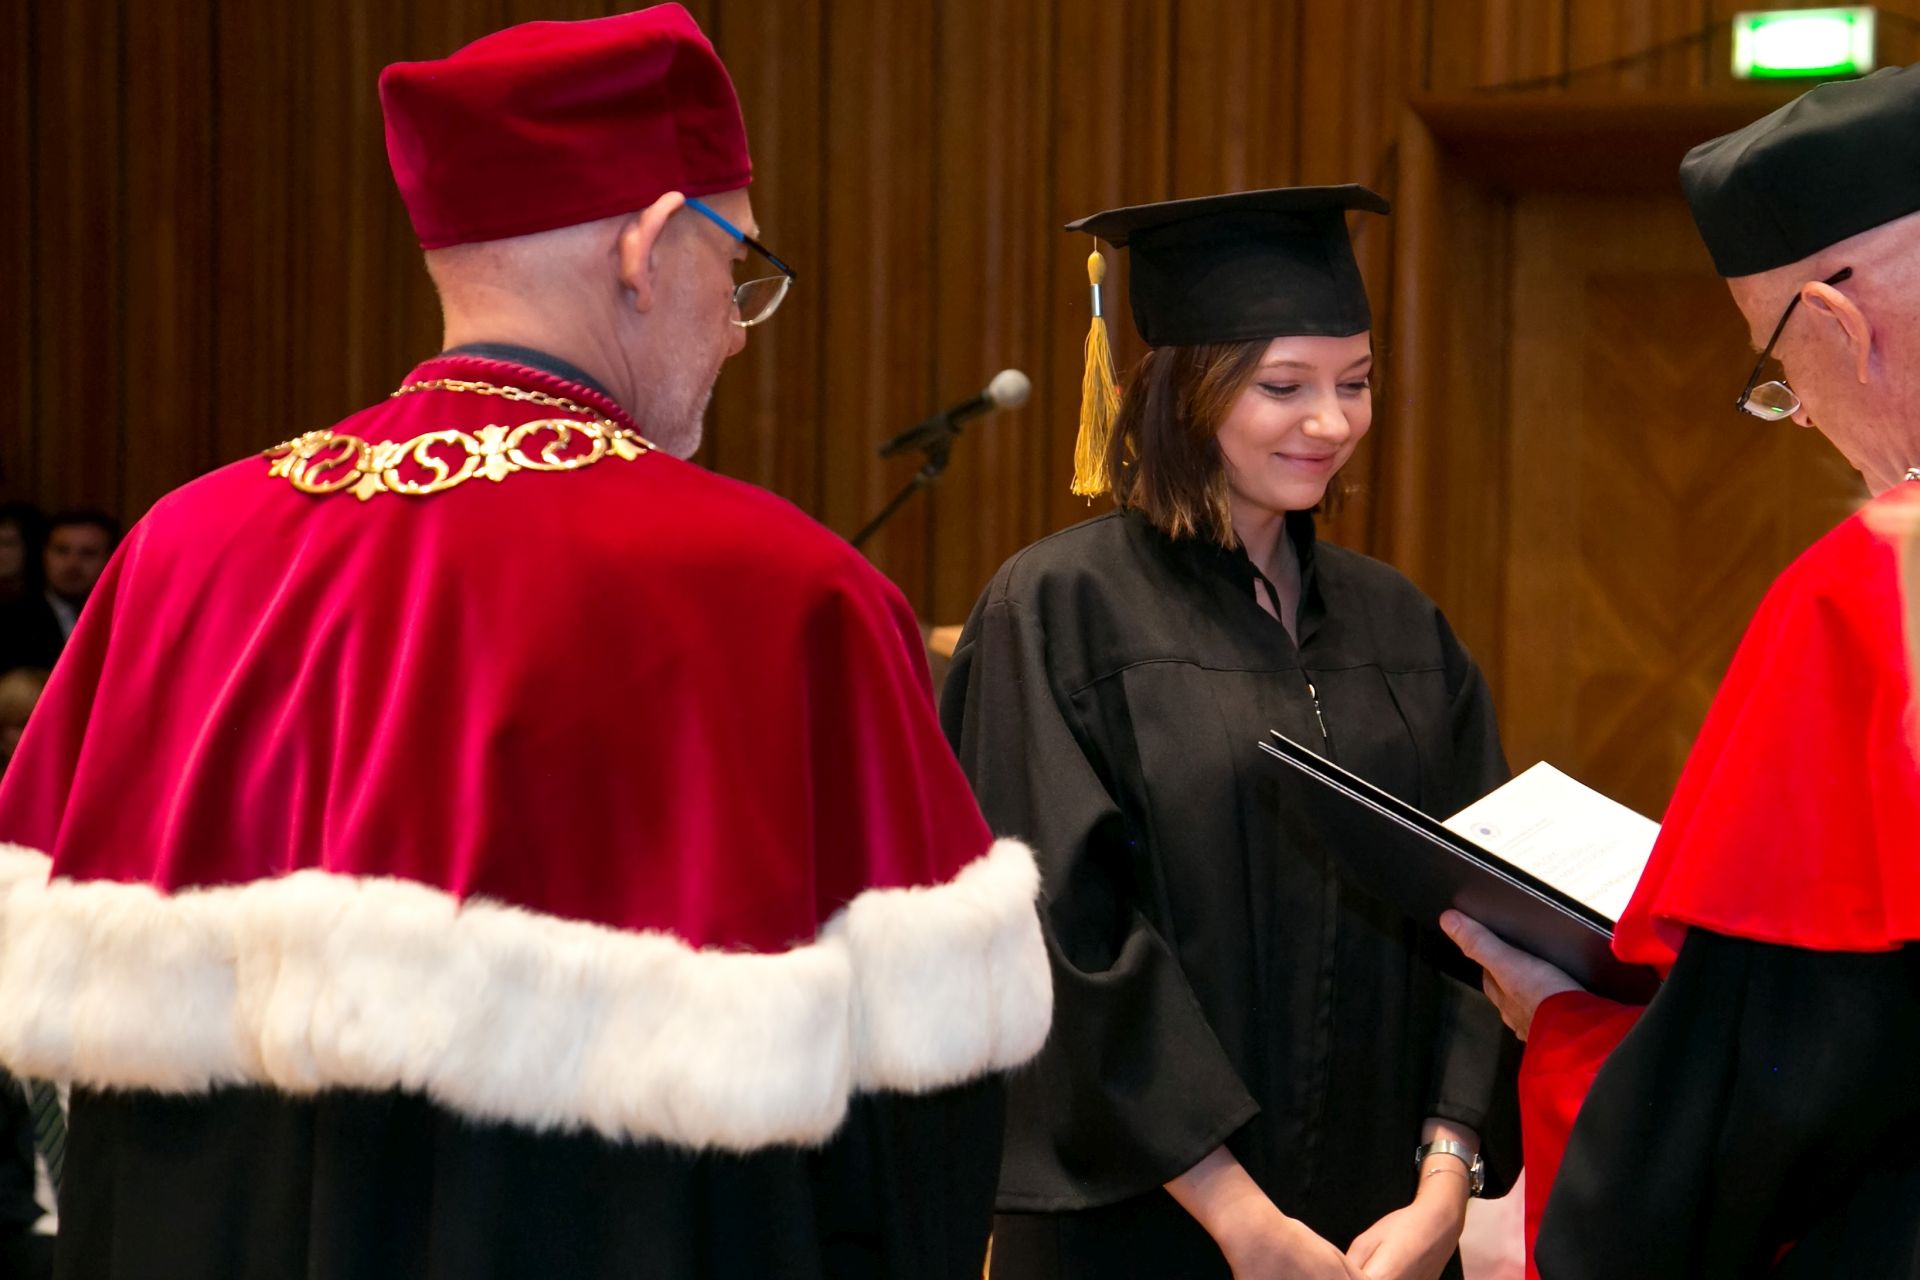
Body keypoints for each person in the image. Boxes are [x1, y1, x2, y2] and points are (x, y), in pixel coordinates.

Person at [0, 8, 1049, 1279]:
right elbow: (918, 1128)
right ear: (648, 245)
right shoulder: (789, 593)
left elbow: (70, 1097)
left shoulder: (177, 550)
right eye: (738, 267)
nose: (735, 326)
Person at [941, 186, 1519, 1280]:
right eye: (1284, 386)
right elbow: (1057, 935)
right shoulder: (1060, 610)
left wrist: (1446, 1181)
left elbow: (1481, 910)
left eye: (1356, 383)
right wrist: (1242, 1220)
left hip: (1383, 1234)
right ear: (1185, 391)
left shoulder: (1400, 625)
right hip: (1140, 1231)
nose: (1332, 422)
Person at [1441, 64, 1920, 1280]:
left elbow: (1782, 1087)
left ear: (1836, 323)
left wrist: (1564, 1031)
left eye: (1777, 371)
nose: (1799, 416)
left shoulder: (1876, 591)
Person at [0, 511, 111, 673]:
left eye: (88, 553)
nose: (72, 564)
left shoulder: (122, 617)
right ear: (44, 554)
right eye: (62, 551)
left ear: (110, 559)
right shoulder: (11, 619)